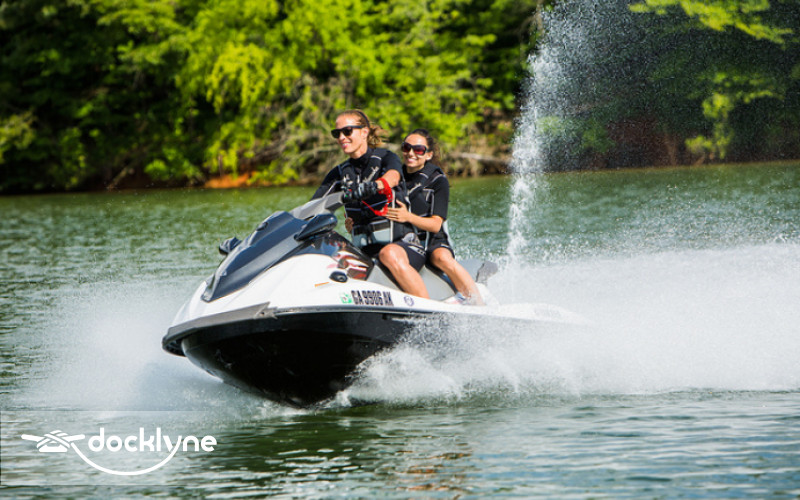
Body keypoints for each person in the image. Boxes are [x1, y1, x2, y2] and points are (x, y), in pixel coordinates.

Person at [312, 110, 430, 298]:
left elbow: (393, 177)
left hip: (404, 246)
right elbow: (314, 204)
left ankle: (429, 310)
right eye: (337, 133)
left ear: (364, 132)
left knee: (388, 253)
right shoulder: (339, 174)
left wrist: (374, 186)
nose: (341, 137)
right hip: (364, 253)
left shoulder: (386, 158)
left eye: (347, 131)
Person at [385, 129, 484, 305]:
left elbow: (436, 225)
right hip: (402, 238)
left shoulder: (438, 181)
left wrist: (407, 217)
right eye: (407, 148)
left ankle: (478, 304)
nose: (411, 153)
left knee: (441, 258)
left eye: (418, 150)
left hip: (432, 240)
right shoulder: (394, 176)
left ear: (428, 155)